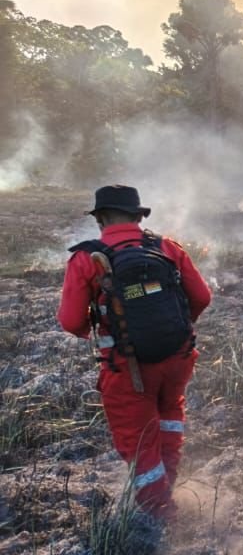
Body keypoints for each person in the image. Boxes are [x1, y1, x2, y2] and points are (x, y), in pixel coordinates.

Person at [57, 185, 212, 519]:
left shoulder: (87, 258)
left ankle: (157, 513)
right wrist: (176, 327)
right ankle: (165, 484)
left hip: (127, 366)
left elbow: (70, 321)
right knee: (169, 417)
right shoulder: (167, 247)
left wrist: (101, 331)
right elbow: (202, 297)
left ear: (100, 218)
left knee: (137, 438)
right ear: (139, 216)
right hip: (178, 356)